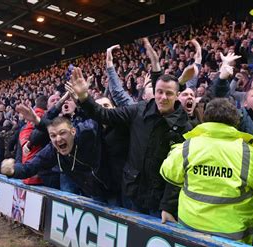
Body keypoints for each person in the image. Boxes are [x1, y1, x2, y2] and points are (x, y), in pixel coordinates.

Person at [71, 67, 192, 217]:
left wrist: (168, 206)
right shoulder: (138, 110)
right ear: (155, 92)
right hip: (132, 193)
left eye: (169, 93)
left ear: (177, 95)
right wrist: (84, 97)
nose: (163, 97)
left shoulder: (184, 127)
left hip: (159, 202)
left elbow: (179, 170)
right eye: (160, 92)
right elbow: (105, 115)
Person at [160, 98, 253, 243]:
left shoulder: (187, 147)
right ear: (236, 121)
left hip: (190, 231)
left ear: (205, 118)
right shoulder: (251, 154)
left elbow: (168, 173)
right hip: (234, 241)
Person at [1, 116, 107, 200]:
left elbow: (96, 120)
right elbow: (32, 166)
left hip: (112, 187)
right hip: (93, 191)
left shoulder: (86, 132)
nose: (58, 139)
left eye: (62, 133)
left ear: (73, 132)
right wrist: (13, 170)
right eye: (53, 135)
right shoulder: (53, 150)